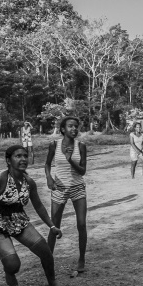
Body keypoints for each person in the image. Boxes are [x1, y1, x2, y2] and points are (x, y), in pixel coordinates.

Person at [0, 145, 62, 286]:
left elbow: (38, 205)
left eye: (25, 156)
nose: (23, 159)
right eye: (18, 156)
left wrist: (52, 226)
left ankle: (52, 281)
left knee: (45, 251)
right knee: (13, 265)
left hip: (19, 221)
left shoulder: (29, 182)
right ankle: (9, 271)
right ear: (8, 160)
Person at [45, 116, 88, 272]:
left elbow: (82, 171)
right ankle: (48, 259)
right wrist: (49, 178)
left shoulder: (81, 146)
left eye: (76, 126)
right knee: (54, 225)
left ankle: (81, 259)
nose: (74, 129)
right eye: (70, 126)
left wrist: (71, 160)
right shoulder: (54, 145)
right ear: (63, 129)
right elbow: (47, 164)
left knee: (81, 224)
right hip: (59, 188)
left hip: (77, 187)